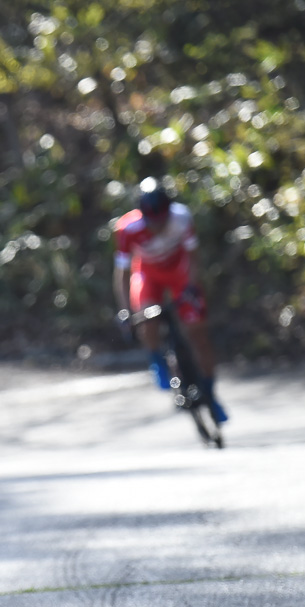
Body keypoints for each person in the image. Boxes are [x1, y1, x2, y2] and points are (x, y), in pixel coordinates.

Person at [113, 178, 228, 424]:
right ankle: (156, 357)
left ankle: (210, 393)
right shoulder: (127, 229)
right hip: (147, 274)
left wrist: (191, 287)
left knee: (198, 335)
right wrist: (125, 312)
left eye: (161, 221)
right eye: (152, 222)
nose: (157, 227)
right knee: (145, 315)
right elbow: (123, 274)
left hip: (179, 273)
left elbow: (193, 258)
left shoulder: (182, 218)